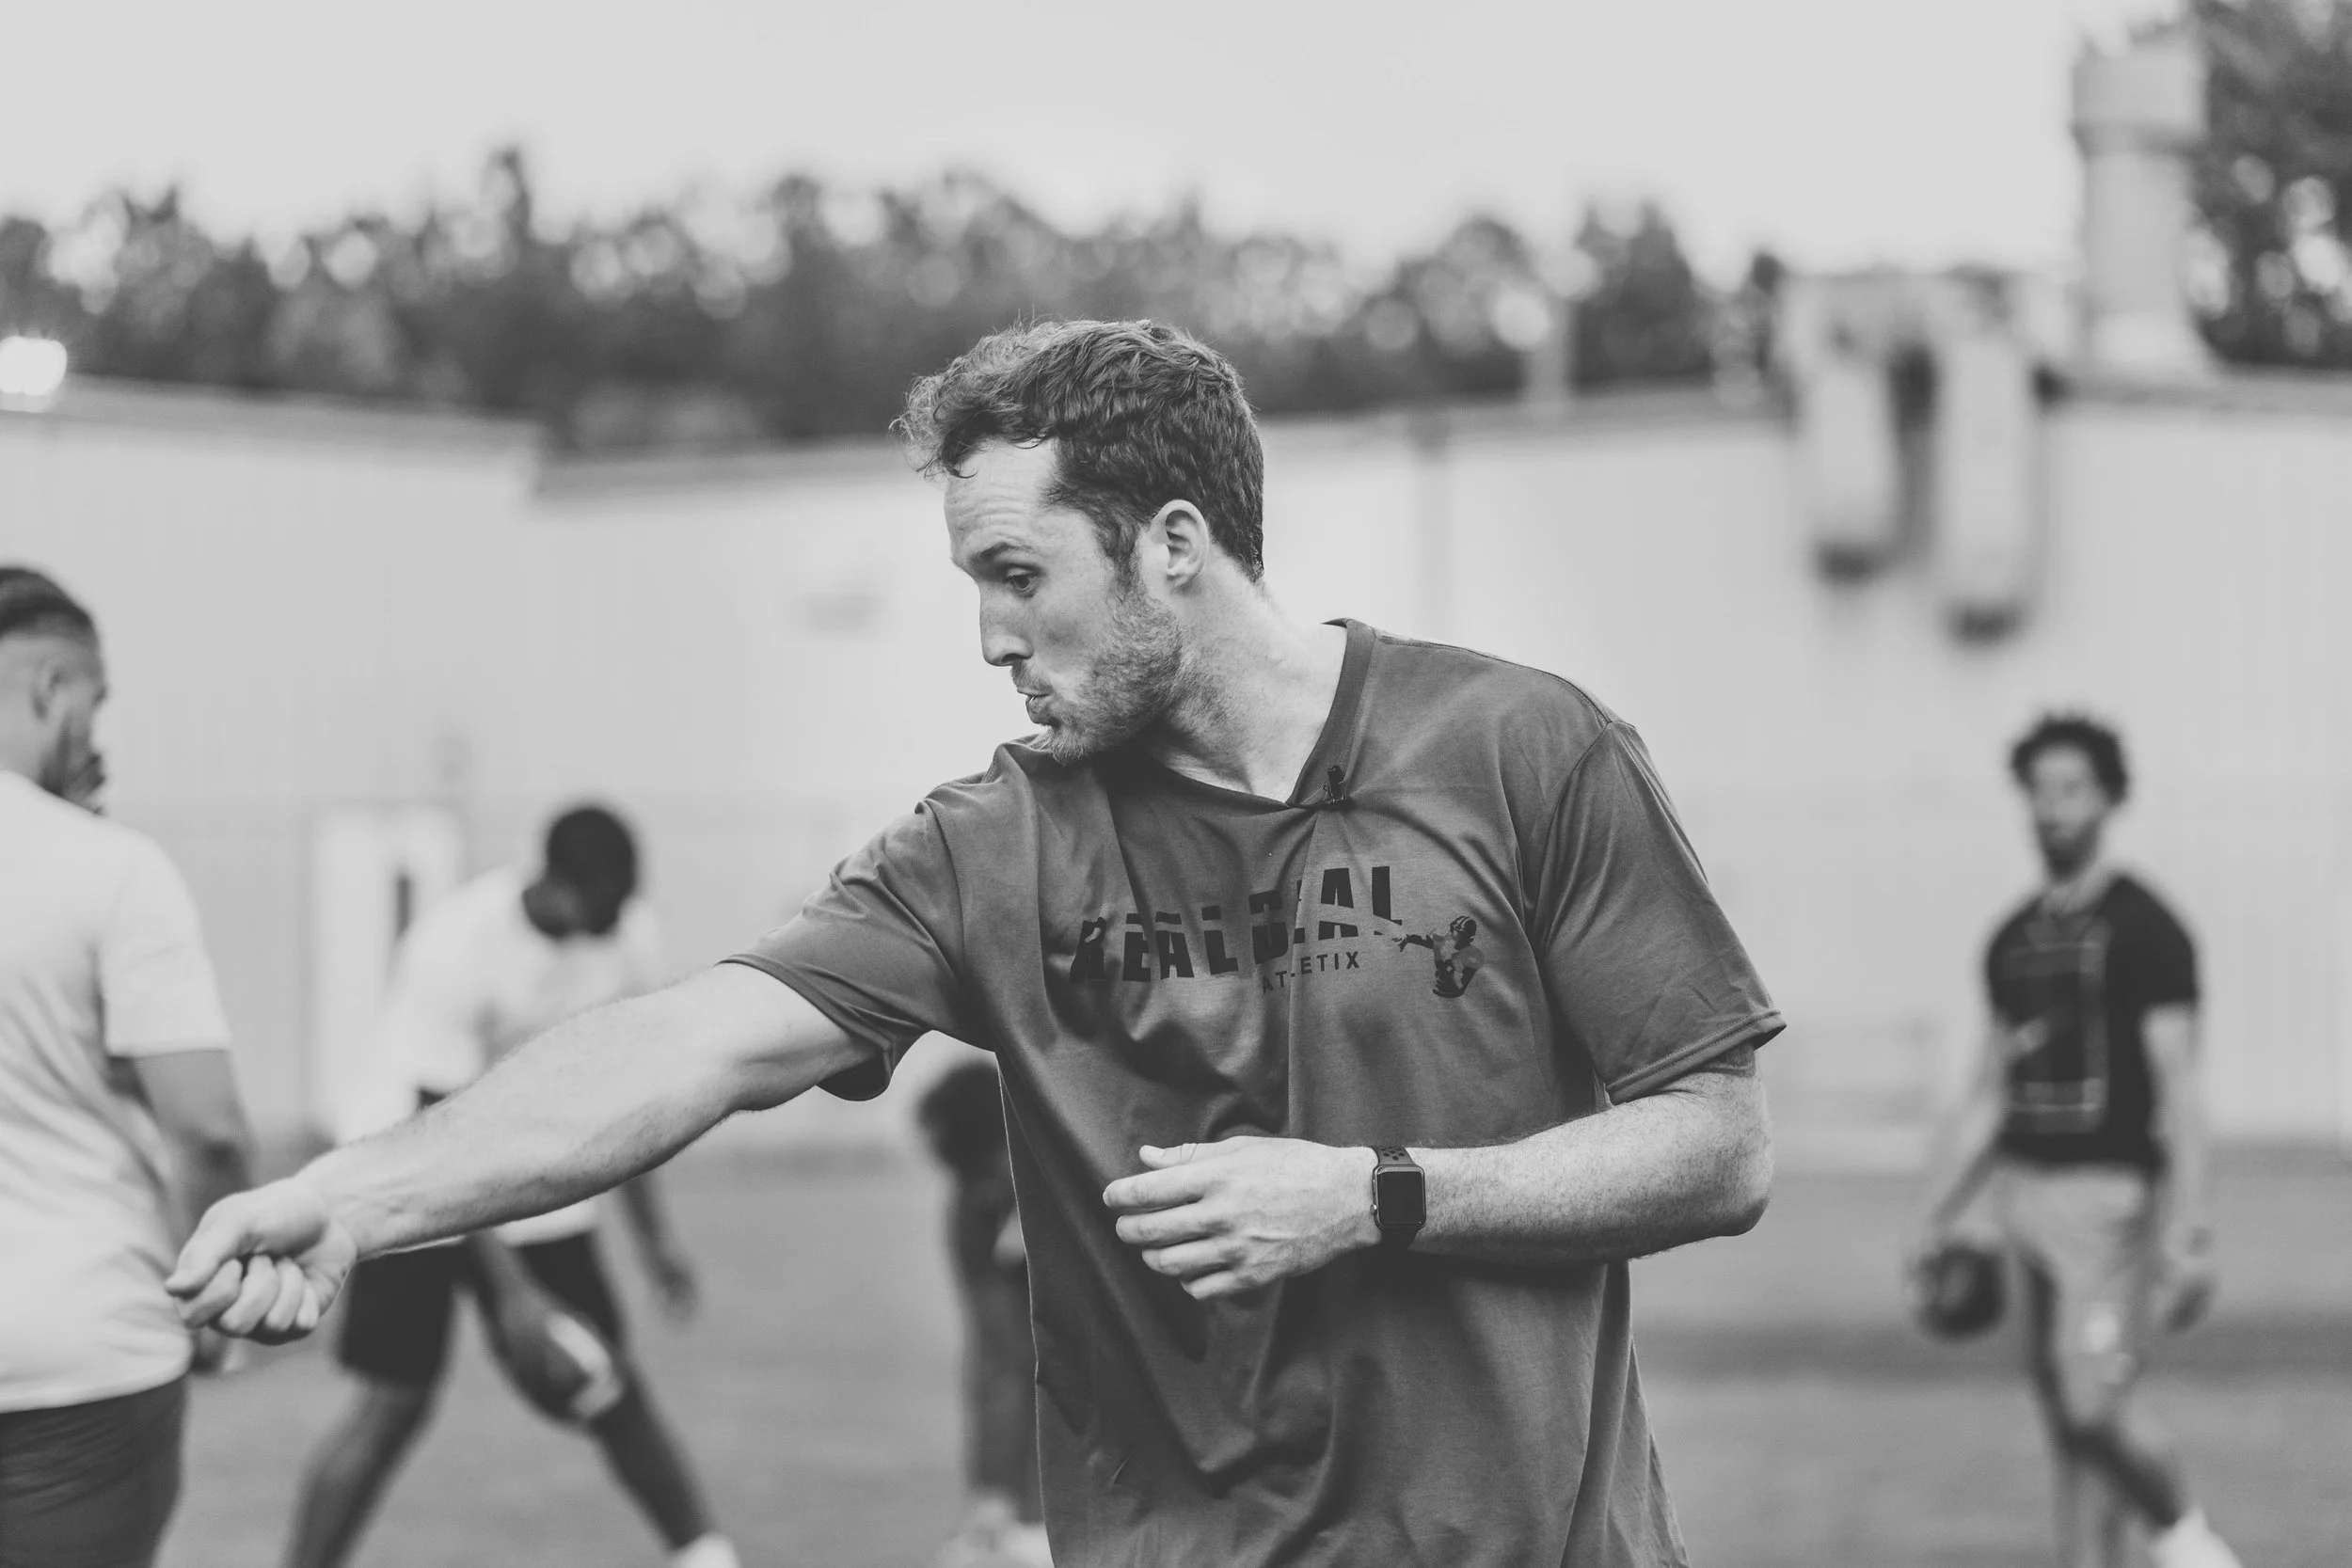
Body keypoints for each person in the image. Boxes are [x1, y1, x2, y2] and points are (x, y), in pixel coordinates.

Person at [172, 320, 1782, 1566]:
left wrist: (1378, 1197)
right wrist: (347, 1196)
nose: (991, 635)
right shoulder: (995, 845)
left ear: (1170, 544)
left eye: (1019, 573)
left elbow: (1717, 1145)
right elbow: (694, 1042)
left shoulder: (1520, 750)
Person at [279, 806, 739, 1568]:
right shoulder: (454, 946)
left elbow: (634, 1098)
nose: (616, 919)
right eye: (603, 902)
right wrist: (515, 1296)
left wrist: (655, 1242)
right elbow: (444, 1136)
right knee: (395, 1402)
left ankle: (705, 1553)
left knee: (604, 1376)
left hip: (533, 1168)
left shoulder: (626, 934)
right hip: (410, 1171)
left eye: (626, 902)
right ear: (556, 883)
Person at [1915, 715, 2240, 1568]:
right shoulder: (2011, 939)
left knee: (2096, 1403)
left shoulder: (2149, 929)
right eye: (2040, 790)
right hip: (2022, 1192)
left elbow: (2182, 1090)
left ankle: (2186, 1536)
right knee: (2064, 1418)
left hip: (2110, 1198)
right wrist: (1934, 1213)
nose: (2053, 807)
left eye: (2073, 788)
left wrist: (2192, 1231)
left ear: (2110, 798)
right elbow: (1988, 1095)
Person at [0, 566, 257, 1568]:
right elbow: (210, 1128)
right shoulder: (111, 868)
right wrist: (219, 1290)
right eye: (94, 703)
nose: (96, 737)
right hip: (82, 1354)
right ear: (48, 687)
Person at [917, 1060, 1048, 1568]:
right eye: (964, 1177)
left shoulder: (1089, 1189)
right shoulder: (970, 1211)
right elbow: (997, 1354)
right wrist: (991, 1489)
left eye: (985, 1170)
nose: (979, 1190)